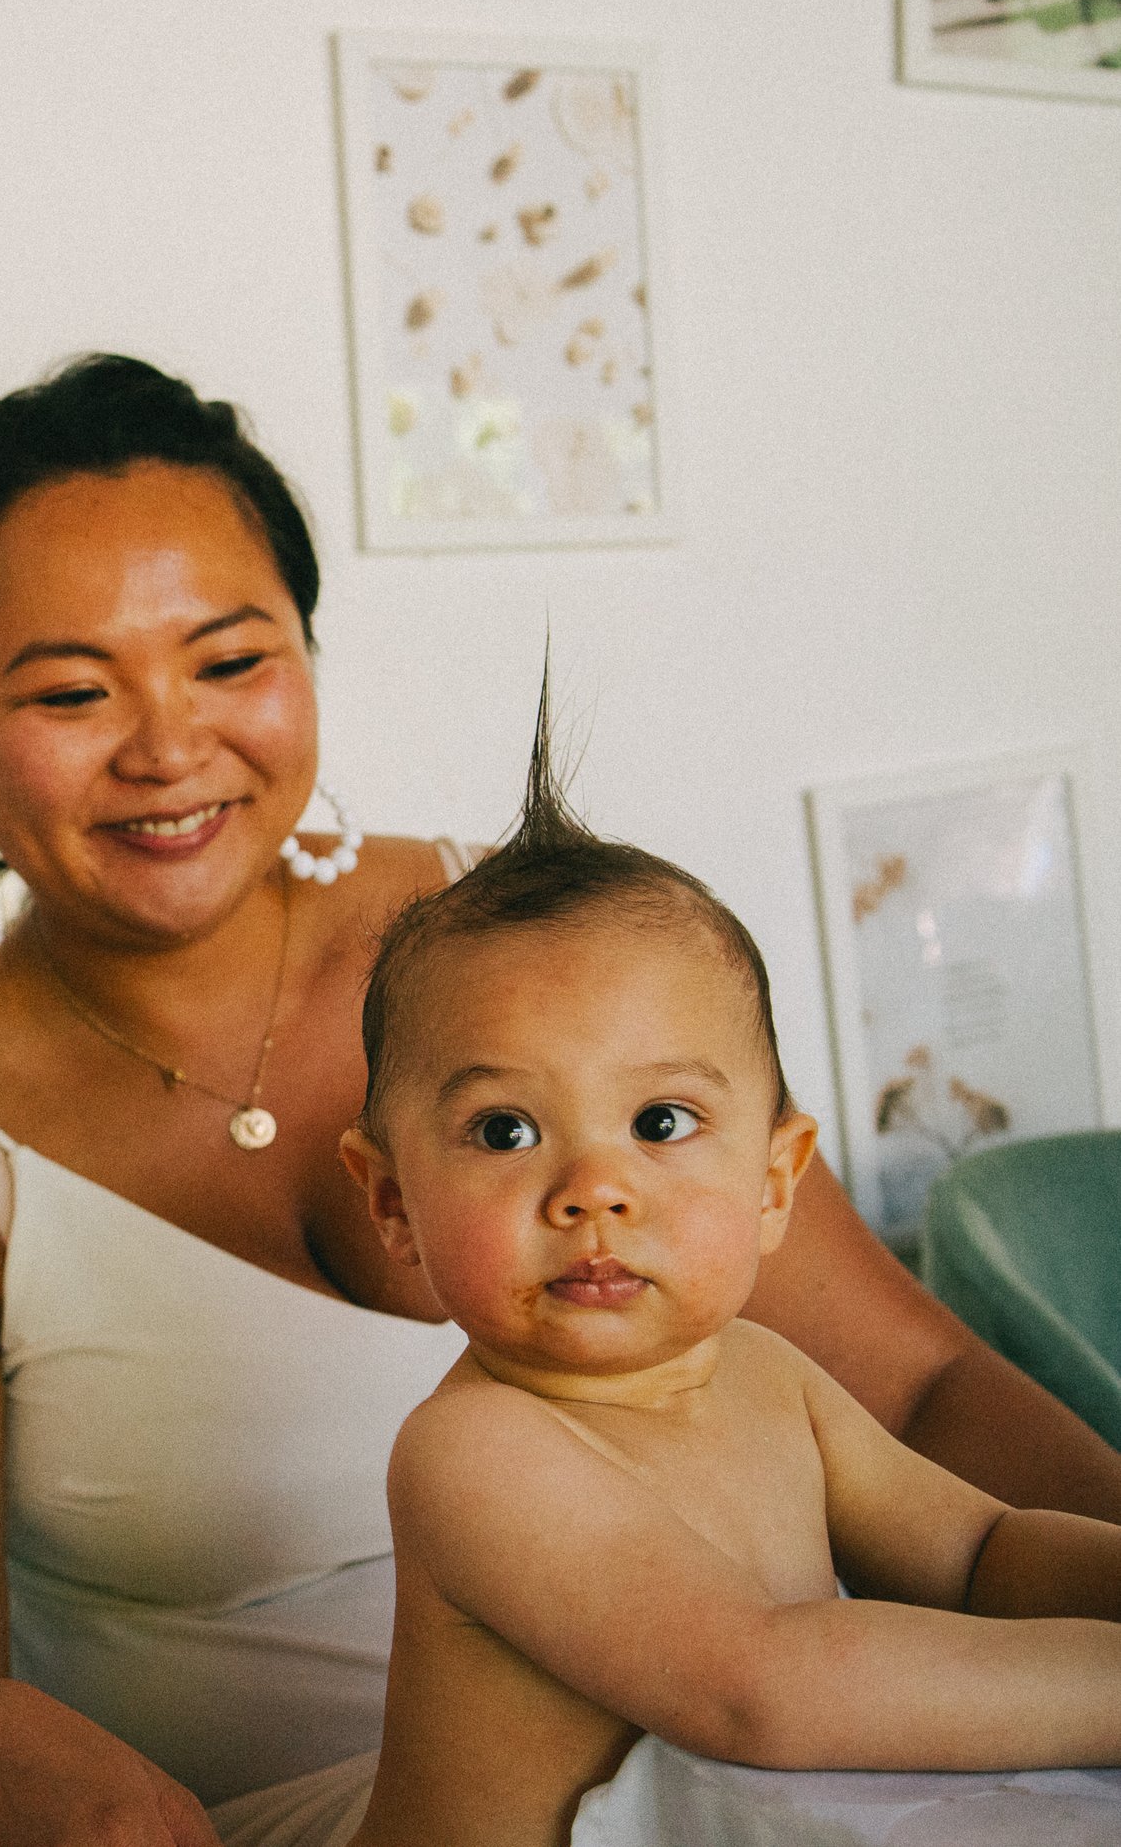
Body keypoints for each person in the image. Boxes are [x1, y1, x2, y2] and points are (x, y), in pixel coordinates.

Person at [0, 353, 1121, 1847]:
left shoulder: (541, 962)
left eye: (228, 660)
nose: (166, 744)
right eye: (75, 690)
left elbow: (922, 1396)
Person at [329, 702, 1121, 1847]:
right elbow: (759, 1684)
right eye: (504, 1131)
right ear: (392, 1201)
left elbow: (980, 1551)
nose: (592, 1190)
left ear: (773, 1177)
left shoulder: (769, 1378)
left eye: (660, 1120)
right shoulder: (476, 1451)